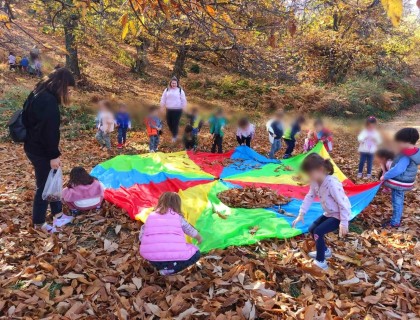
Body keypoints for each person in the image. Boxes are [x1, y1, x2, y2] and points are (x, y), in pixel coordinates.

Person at [23, 68, 76, 233]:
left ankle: (58, 215)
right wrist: (53, 155)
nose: (68, 92)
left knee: (52, 181)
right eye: (67, 89)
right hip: (41, 150)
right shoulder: (48, 101)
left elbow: (27, 118)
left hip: (33, 145)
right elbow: (49, 131)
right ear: (61, 84)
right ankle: (39, 223)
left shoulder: (38, 92)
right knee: (44, 186)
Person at [292, 153, 351, 270]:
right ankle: (324, 250)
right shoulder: (315, 182)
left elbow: (343, 203)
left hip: (338, 215)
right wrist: (301, 213)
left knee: (318, 232)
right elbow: (309, 197)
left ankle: (321, 261)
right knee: (312, 229)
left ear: (320, 169)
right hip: (329, 213)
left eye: (310, 174)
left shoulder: (332, 184)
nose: (309, 177)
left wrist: (344, 222)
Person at [139, 192, 203, 275]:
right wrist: (199, 238)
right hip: (172, 258)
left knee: (160, 255)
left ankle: (160, 267)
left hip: (151, 258)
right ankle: (171, 270)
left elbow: (142, 235)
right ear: (177, 205)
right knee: (196, 253)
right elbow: (189, 230)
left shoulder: (151, 216)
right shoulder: (178, 217)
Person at [381, 128, 420, 228]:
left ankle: (395, 222)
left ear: (406, 142)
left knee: (396, 201)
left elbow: (398, 169)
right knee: (399, 199)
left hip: (400, 182)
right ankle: (396, 218)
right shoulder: (413, 152)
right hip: (404, 181)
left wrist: (385, 176)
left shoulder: (407, 155)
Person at [160, 76, 187, 142]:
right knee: (169, 123)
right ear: (170, 83)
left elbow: (183, 100)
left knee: (175, 123)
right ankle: (174, 132)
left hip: (178, 110)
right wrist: (161, 107)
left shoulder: (180, 91)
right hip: (169, 109)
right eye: (172, 83)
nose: (173, 84)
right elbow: (163, 99)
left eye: (175, 83)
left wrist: (185, 108)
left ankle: (174, 136)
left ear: (177, 83)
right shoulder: (167, 90)